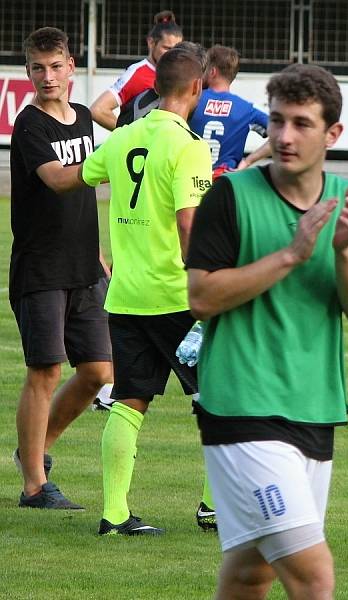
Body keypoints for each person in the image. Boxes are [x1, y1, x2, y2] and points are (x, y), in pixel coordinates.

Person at [186, 63, 348, 599]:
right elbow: (201, 296)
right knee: (312, 574)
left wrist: (343, 251)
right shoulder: (230, 197)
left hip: (316, 408)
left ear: (333, 134)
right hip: (242, 408)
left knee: (252, 572)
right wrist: (292, 254)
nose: (285, 137)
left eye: (301, 123)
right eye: (276, 122)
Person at [48, 47, 214, 535]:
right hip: (177, 297)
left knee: (129, 401)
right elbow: (189, 225)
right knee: (222, 399)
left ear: (156, 85)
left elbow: (69, 179)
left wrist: (37, 156)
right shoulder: (189, 146)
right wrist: (210, 285)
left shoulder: (123, 138)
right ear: (197, 88)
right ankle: (213, 507)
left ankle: (115, 514)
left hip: (125, 296)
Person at [9, 27, 113, 510]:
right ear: (27, 71)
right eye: (37, 67)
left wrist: (95, 255)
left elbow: (84, 198)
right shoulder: (30, 125)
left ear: (71, 66)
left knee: (97, 373)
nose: (47, 76)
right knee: (45, 370)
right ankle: (34, 486)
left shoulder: (84, 119)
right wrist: (111, 160)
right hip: (41, 268)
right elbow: (57, 179)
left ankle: (35, 451)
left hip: (83, 266)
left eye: (55, 66)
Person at [189, 44, 272, 179]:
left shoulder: (192, 100)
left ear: (212, 72)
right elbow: (279, 135)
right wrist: (247, 161)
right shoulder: (246, 109)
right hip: (225, 182)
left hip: (191, 179)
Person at [89, 10, 182, 130]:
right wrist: (132, 135)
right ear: (151, 43)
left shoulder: (181, 73)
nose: (172, 54)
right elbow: (98, 110)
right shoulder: (137, 73)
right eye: (166, 48)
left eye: (177, 49)